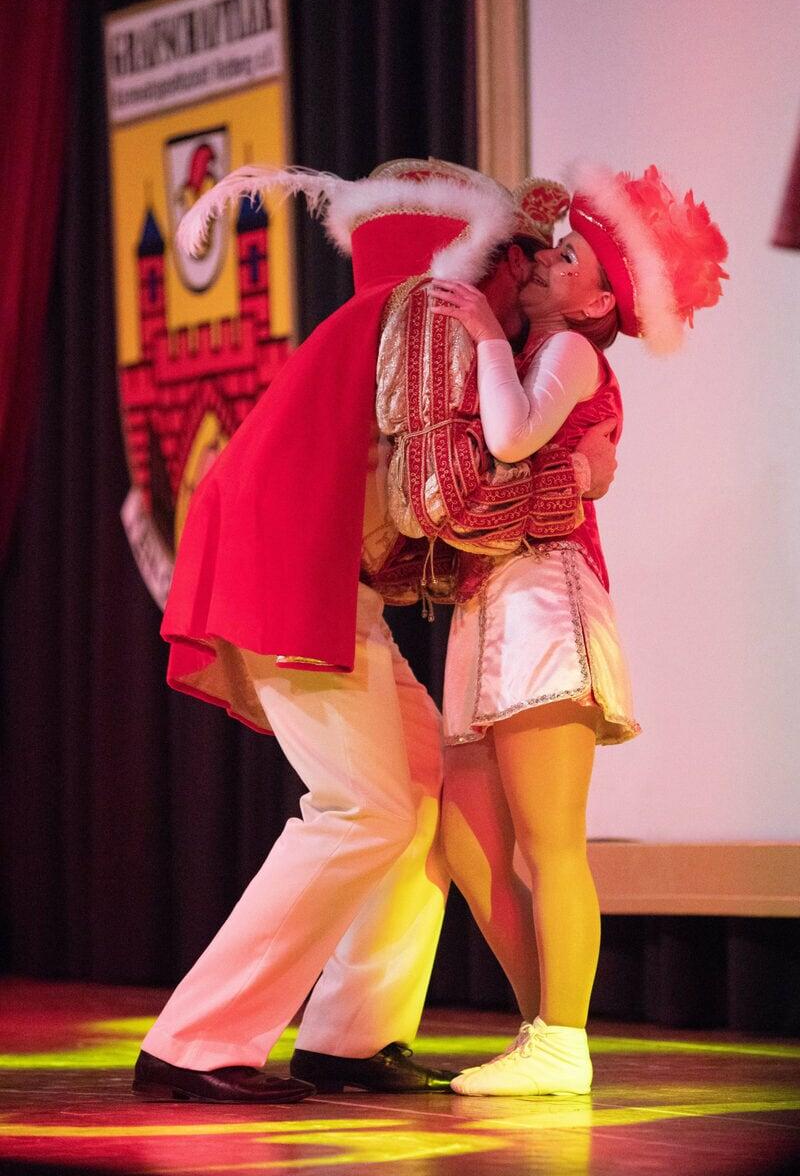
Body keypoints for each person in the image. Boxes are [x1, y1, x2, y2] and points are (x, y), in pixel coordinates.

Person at [131, 159, 618, 1102]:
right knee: (363, 806)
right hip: (289, 574)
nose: (527, 272)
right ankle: (196, 1042)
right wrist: (574, 481)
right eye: (520, 253)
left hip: (313, 577)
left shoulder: (391, 313)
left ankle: (350, 1037)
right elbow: (442, 499)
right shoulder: (432, 310)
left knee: (421, 783)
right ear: (480, 250)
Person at [421, 162, 728, 1096]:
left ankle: (564, 1038)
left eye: (568, 258)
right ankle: (541, 1032)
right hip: (491, 603)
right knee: (468, 843)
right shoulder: (535, 353)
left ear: (598, 302)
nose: (546, 263)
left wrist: (483, 336)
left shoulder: (572, 356)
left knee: (548, 840)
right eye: (551, 250)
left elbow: (513, 439)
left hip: (543, 603)